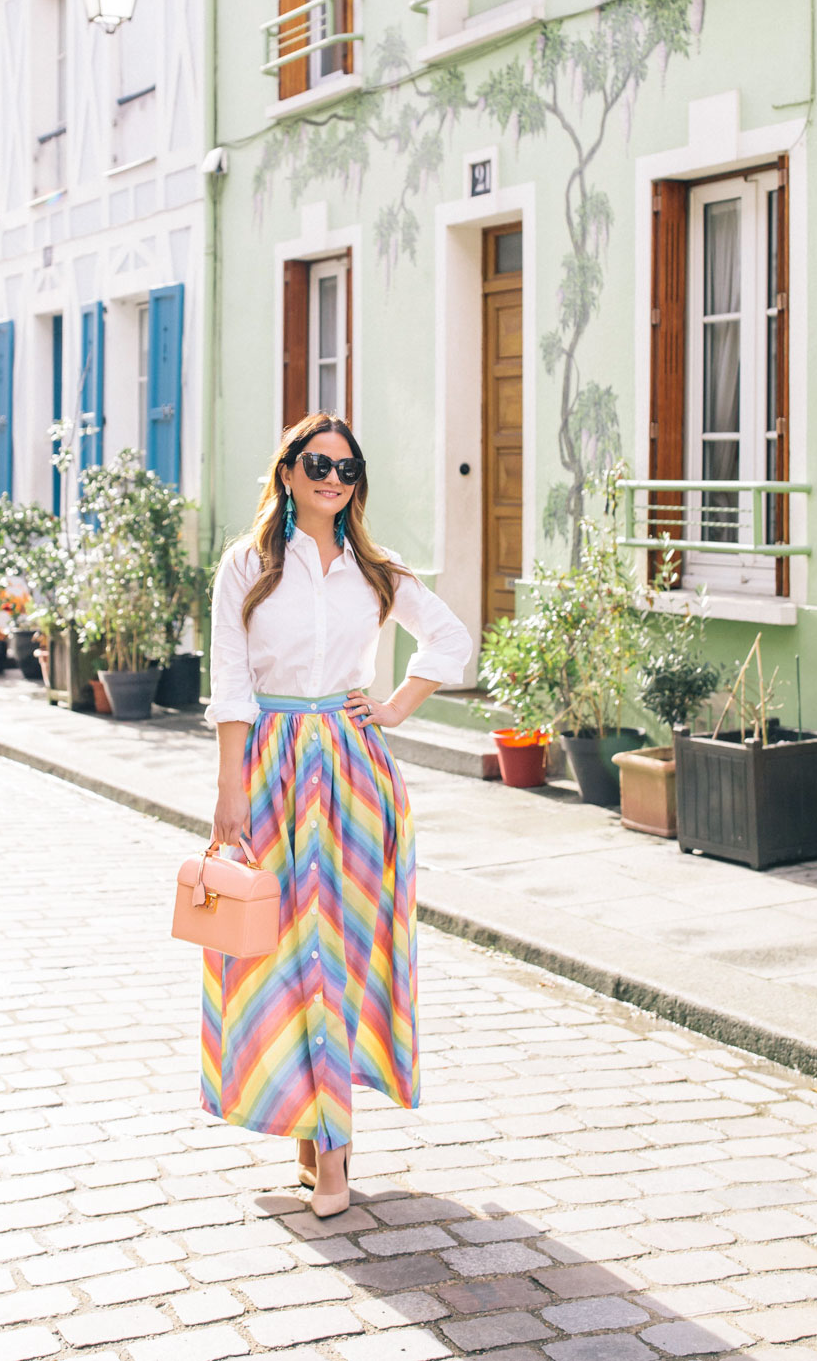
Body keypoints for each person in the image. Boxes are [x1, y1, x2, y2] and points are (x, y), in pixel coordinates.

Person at [202, 410, 473, 1217]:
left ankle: (334, 1158)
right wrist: (227, 789)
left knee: (338, 952)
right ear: (286, 471)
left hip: (355, 776)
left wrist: (394, 708)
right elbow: (230, 682)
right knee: (280, 954)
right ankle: (308, 1130)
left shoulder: (375, 569)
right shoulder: (246, 566)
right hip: (270, 768)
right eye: (316, 464)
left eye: (346, 469)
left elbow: (452, 642)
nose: (331, 478)